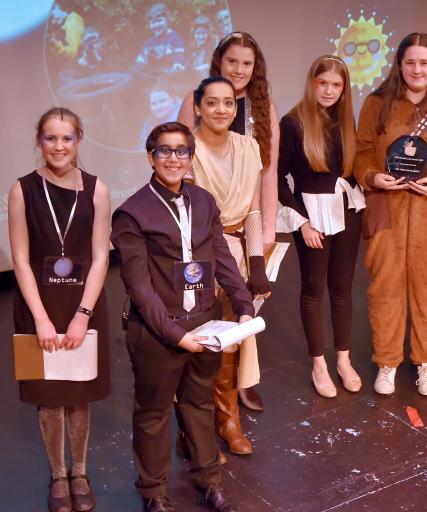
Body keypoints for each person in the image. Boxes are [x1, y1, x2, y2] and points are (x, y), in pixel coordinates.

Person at [112, 121, 254, 512]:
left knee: (199, 403)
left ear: (191, 158)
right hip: (158, 331)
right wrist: (175, 336)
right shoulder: (131, 213)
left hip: (205, 322)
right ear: (150, 157)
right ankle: (154, 491)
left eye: (181, 151)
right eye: (164, 150)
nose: (173, 159)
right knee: (154, 412)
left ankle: (208, 480)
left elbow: (221, 258)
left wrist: (243, 305)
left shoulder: (204, 201)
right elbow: (139, 288)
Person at [355, 32, 427, 396]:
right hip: (386, 208)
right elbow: (361, 153)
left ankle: (426, 363)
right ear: (399, 64)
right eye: (410, 62)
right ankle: (387, 362)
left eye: (424, 62)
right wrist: (374, 176)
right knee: (384, 288)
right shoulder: (378, 104)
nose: (417, 69)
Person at [9, 107, 110, 512]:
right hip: (39, 304)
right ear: (39, 141)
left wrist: (82, 314)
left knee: (79, 394)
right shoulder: (22, 189)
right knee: (48, 397)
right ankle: (57, 475)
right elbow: (20, 259)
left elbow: (101, 256)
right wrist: (41, 318)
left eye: (67, 138)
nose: (58, 146)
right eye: (50, 138)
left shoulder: (97, 189)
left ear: (79, 140)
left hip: (83, 303)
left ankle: (80, 471)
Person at [179, 31, 279, 415]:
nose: (239, 70)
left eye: (247, 63)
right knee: (206, 314)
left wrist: (266, 230)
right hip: (205, 233)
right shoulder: (196, 100)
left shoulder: (261, 106)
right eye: (232, 61)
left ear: (256, 68)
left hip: (245, 225)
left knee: (245, 309)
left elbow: (268, 170)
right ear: (220, 62)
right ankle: (202, 399)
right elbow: (180, 163)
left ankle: (242, 384)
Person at [188, 76, 271, 456]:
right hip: (197, 258)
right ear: (198, 107)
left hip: (237, 253)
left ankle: (228, 420)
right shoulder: (185, 150)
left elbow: (253, 209)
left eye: (228, 103)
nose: (221, 110)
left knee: (230, 344)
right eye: (212, 103)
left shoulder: (249, 146)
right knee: (197, 344)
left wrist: (256, 263)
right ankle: (194, 430)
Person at [277, 55, 364, 398]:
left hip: (347, 211)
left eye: (336, 85)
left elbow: (352, 171)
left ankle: (343, 360)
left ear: (344, 89)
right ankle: (319, 364)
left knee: (342, 289)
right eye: (322, 83)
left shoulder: (345, 120)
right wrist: (302, 223)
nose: (329, 91)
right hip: (312, 215)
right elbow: (280, 181)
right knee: (314, 289)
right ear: (312, 83)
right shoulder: (292, 122)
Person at [135, 3, 185, 73]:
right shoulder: (149, 42)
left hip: (170, 73)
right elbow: (141, 59)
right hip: (154, 74)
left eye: (159, 21)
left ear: (167, 20)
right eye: (153, 23)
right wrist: (138, 67)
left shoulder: (174, 36)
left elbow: (180, 53)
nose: (156, 25)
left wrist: (178, 63)